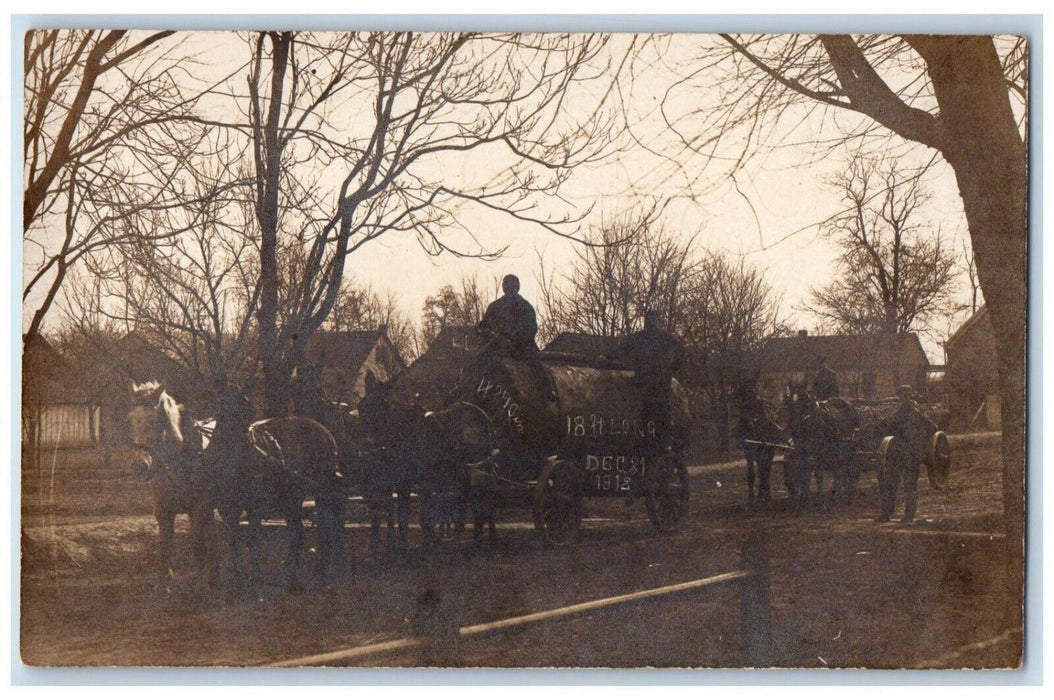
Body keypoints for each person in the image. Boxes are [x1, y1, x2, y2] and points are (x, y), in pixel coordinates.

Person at [614, 310, 685, 449]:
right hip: (661, 381)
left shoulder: (640, 337)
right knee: (662, 413)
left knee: (646, 413)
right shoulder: (665, 337)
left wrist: (606, 358)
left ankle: (648, 444)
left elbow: (621, 350)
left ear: (646, 322)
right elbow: (681, 352)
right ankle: (663, 444)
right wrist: (671, 369)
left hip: (644, 381)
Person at [479, 274, 539, 358]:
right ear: (503, 287)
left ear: (517, 287)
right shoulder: (494, 307)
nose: (509, 287)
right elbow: (485, 328)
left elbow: (531, 329)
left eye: (512, 285)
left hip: (523, 351)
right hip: (497, 350)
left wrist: (514, 340)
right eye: (507, 284)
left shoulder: (525, 307)